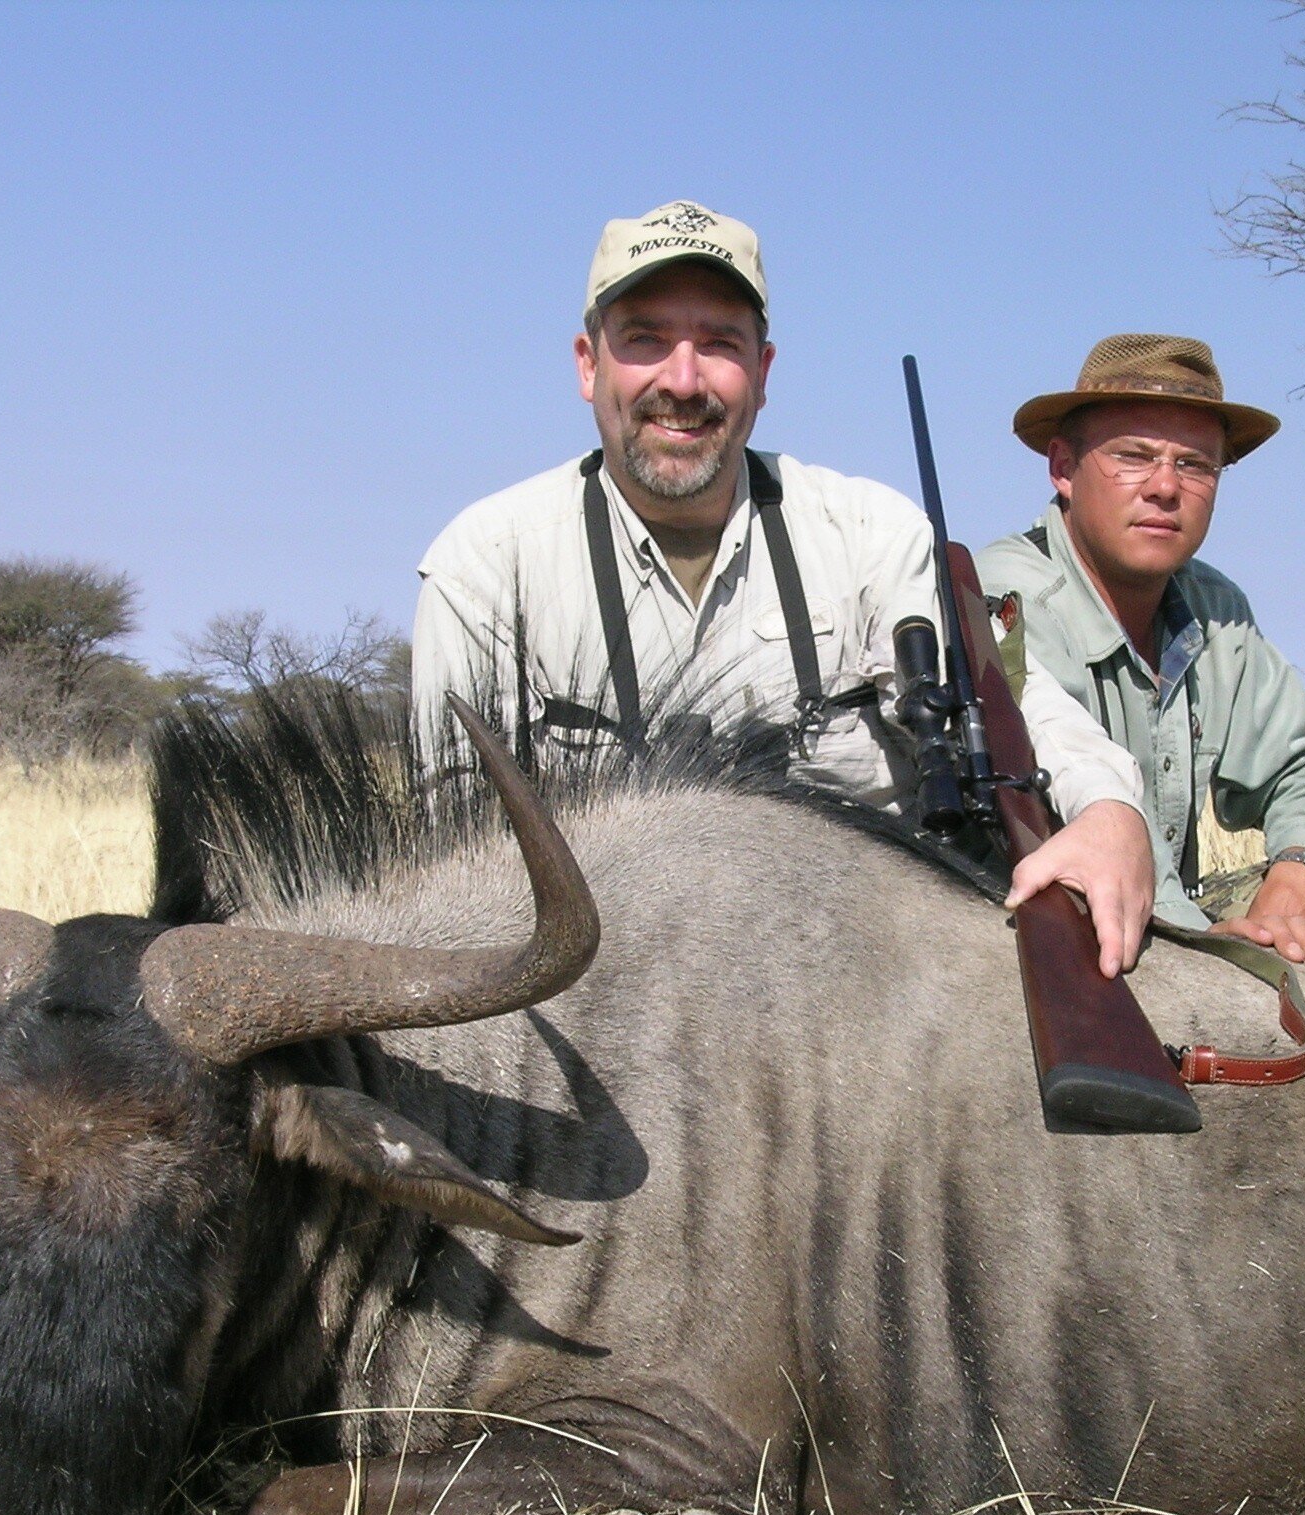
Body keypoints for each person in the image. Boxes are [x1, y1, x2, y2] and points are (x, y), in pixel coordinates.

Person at [411, 202, 1159, 973]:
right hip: (610, 995)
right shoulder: (485, 568)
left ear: (762, 375)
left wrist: (1109, 810)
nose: (683, 378)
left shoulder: (873, 532)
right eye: (645, 339)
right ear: (587, 364)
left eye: (720, 344)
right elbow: (460, 863)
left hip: (865, 981)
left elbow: (1016, 704)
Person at [975, 334, 1305, 964]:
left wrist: (1290, 883)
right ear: (1063, 467)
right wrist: (1209, 950)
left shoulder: (1215, 606)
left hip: (1164, 943)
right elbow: (1065, 816)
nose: (1165, 488)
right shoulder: (1004, 598)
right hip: (1018, 945)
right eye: (1134, 456)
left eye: (1196, 464)